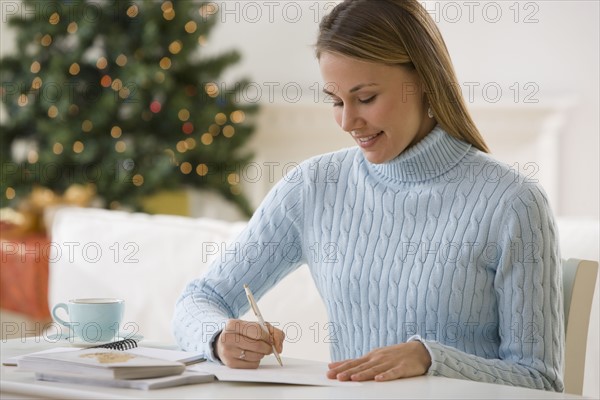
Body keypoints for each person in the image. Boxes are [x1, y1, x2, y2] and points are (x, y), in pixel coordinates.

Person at [173, 0, 563, 392]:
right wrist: (219, 338)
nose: (347, 122)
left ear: (424, 79)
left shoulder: (513, 203)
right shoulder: (313, 187)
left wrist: (431, 359)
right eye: (336, 101)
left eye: (366, 98)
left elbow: (540, 382)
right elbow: (198, 299)